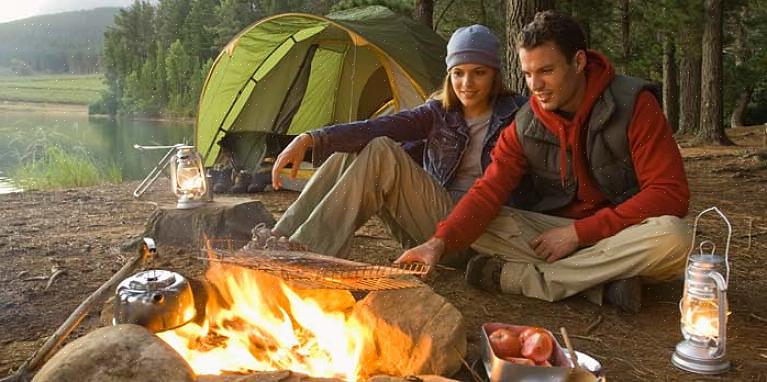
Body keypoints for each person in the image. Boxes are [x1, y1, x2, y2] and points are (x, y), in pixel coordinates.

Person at [395, 11, 691, 313]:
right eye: (527, 74)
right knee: (480, 222)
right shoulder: (525, 124)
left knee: (674, 237)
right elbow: (488, 190)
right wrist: (438, 243)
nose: (535, 85)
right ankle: (605, 278)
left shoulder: (634, 104)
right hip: (551, 235)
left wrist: (579, 234)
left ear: (578, 62)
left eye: (546, 71)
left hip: (621, 231)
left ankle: (522, 278)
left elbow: (670, 193)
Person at [249, 25, 526, 262]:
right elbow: (381, 125)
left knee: (380, 150)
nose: (467, 83)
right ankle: (278, 239)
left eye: (479, 72)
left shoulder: (517, 114)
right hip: (428, 227)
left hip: (474, 237)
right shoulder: (438, 113)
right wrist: (311, 137)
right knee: (356, 148)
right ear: (449, 75)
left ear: (494, 74)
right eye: (458, 73)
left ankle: (306, 253)